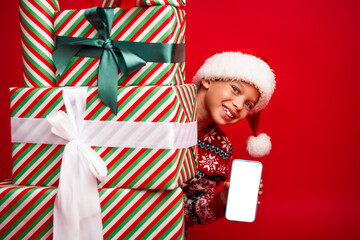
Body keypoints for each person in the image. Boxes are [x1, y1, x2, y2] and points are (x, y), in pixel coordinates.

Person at [182, 50, 276, 226]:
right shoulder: (164, 102)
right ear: (208, 79)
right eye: (235, 89)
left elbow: (189, 212)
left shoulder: (221, 149)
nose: (239, 105)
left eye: (249, 104)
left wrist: (222, 201)